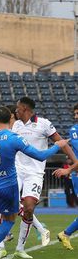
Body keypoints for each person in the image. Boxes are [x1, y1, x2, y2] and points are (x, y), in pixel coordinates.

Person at [0, 106, 68, 259]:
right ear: (10, 119)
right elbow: (40, 156)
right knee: (8, 220)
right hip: (8, 185)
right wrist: (57, 146)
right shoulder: (14, 138)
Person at [11, 97, 77, 259]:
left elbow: (62, 143)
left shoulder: (44, 124)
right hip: (17, 170)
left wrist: (74, 164)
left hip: (35, 173)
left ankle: (20, 248)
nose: (16, 111)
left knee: (28, 208)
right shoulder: (16, 125)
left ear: (25, 109)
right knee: (5, 200)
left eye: (18, 108)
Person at [55, 103, 78, 250]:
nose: (75, 117)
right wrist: (69, 170)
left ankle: (66, 233)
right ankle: (65, 233)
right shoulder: (75, 130)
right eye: (75, 114)